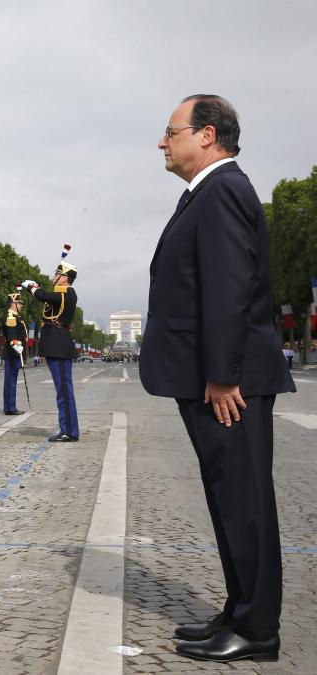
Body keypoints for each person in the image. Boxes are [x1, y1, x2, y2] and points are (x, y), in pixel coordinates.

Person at [141, 94, 293, 663]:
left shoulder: (223, 189)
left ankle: (258, 630)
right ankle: (239, 610)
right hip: (212, 377)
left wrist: (223, 376)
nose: (163, 141)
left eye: (170, 131)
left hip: (230, 383)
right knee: (229, 499)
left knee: (245, 502)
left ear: (206, 135)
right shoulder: (207, 193)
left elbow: (229, 290)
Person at [22, 260, 79, 442]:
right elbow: (47, 298)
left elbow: (42, 296)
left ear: (64, 278)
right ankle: (67, 428)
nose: (54, 277)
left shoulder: (67, 293)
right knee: (61, 390)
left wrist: (32, 287)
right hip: (55, 344)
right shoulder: (60, 294)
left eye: (57, 275)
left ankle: (69, 431)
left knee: (64, 390)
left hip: (59, 344)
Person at [0, 293, 27, 415]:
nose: (21, 305)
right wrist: (18, 347)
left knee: (12, 380)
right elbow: (12, 337)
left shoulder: (16, 317)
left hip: (15, 353)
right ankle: (10, 407)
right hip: (13, 353)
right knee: (10, 381)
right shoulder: (11, 317)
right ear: (13, 304)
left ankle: (10, 406)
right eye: (19, 303)